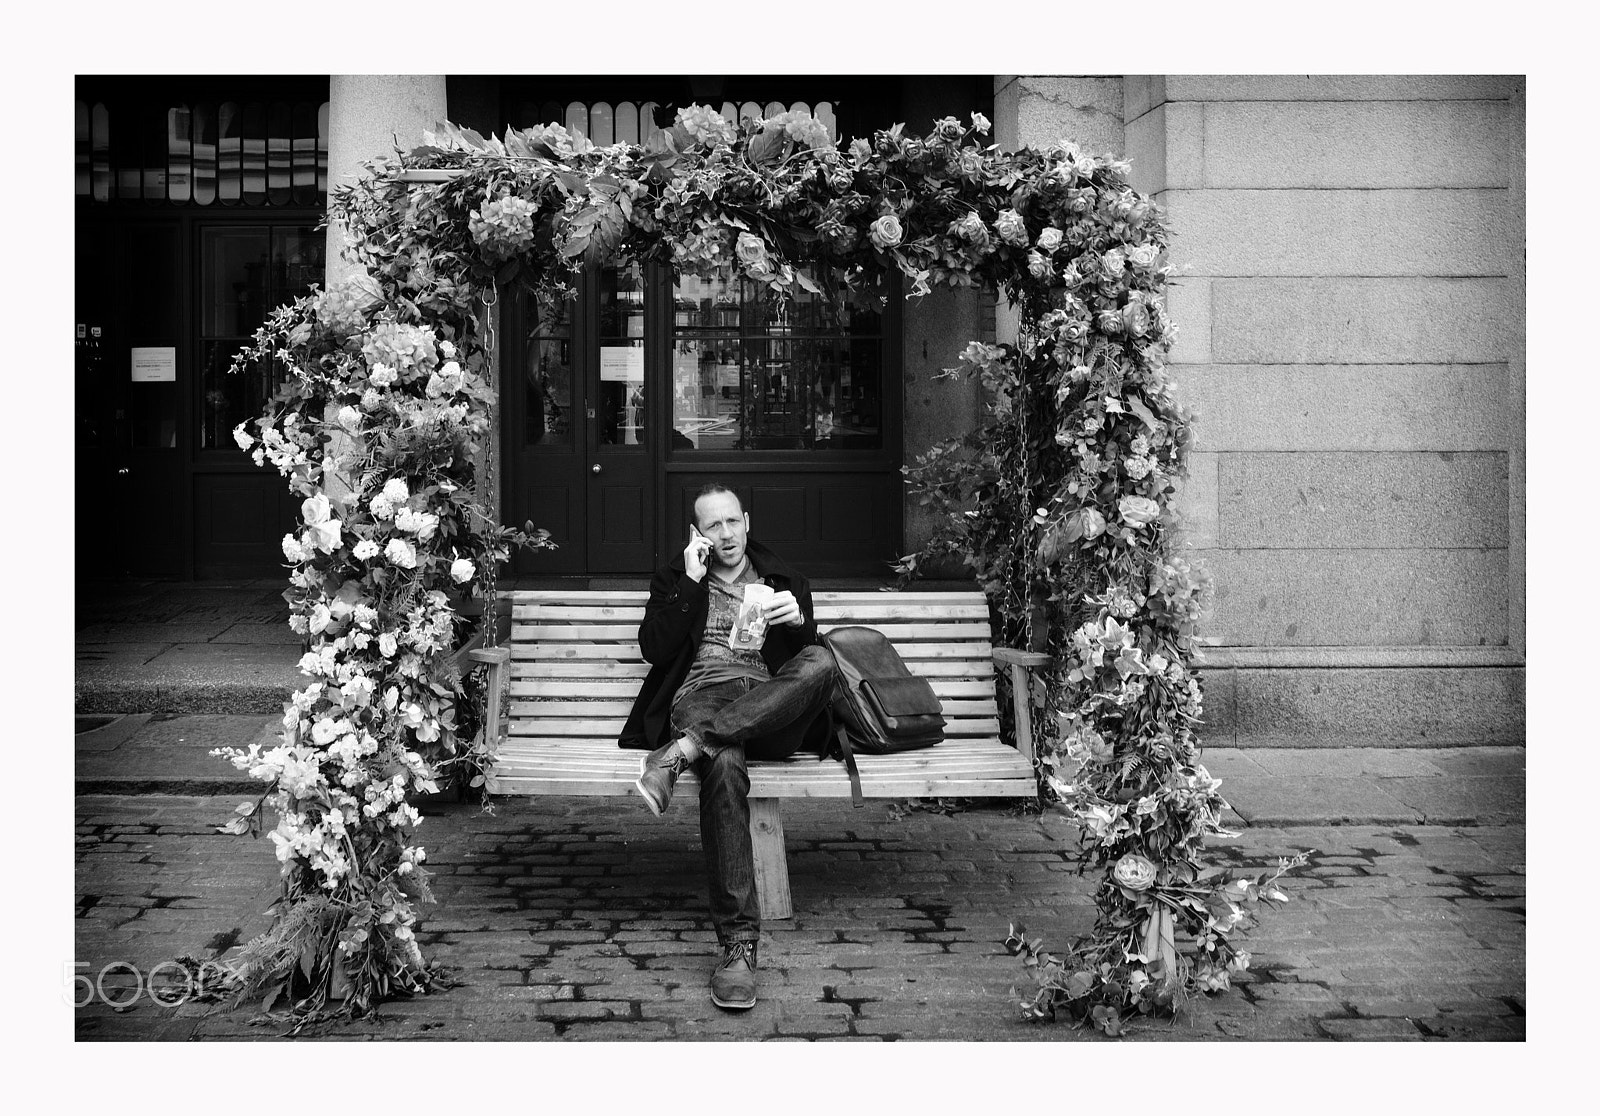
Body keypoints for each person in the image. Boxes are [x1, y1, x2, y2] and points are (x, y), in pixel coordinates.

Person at [619, 483, 835, 1010]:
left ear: (747, 522)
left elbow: (805, 667)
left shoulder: (782, 580)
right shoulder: (677, 577)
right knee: (726, 761)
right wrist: (689, 584)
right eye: (713, 526)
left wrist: (800, 622)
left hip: (769, 705)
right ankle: (738, 948)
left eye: (732, 522)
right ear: (698, 534)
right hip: (701, 695)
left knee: (823, 662)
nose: (727, 534)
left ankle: (683, 752)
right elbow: (654, 649)